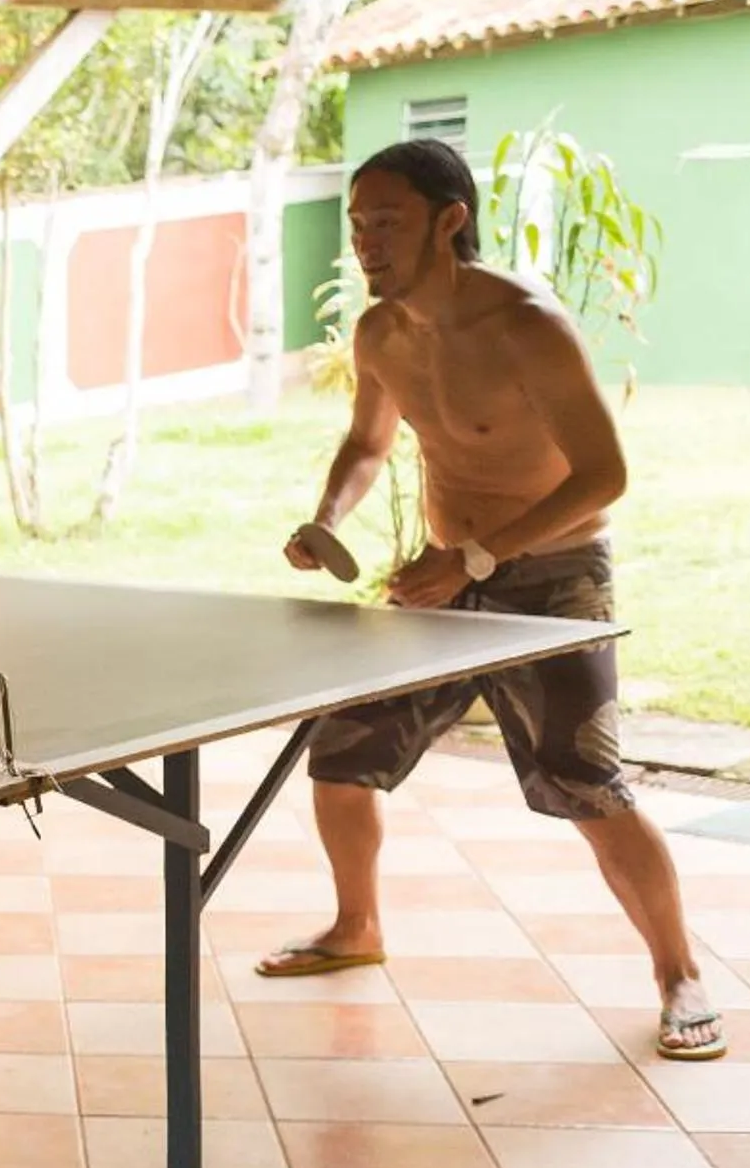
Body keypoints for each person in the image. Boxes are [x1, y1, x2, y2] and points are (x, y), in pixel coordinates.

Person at [266, 136, 723, 1061]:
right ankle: (357, 927)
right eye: (358, 225)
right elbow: (367, 444)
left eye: (386, 223)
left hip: (552, 579)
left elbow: (604, 475)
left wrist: (475, 558)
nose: (365, 243)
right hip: (445, 570)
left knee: (587, 784)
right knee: (344, 748)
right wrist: (326, 518)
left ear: (451, 221)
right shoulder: (382, 333)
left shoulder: (528, 326)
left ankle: (680, 975)